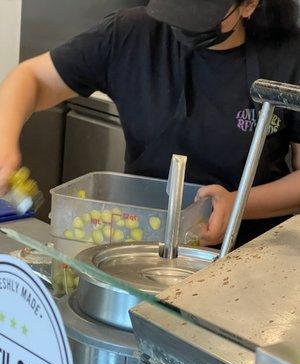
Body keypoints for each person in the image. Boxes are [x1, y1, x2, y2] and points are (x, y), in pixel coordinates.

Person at [0, 0, 299, 248]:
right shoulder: (130, 34)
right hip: (139, 243)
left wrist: (237, 205)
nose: (185, 23)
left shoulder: (288, 56)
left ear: (248, 5)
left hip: (249, 254)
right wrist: (4, 142)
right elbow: (33, 79)